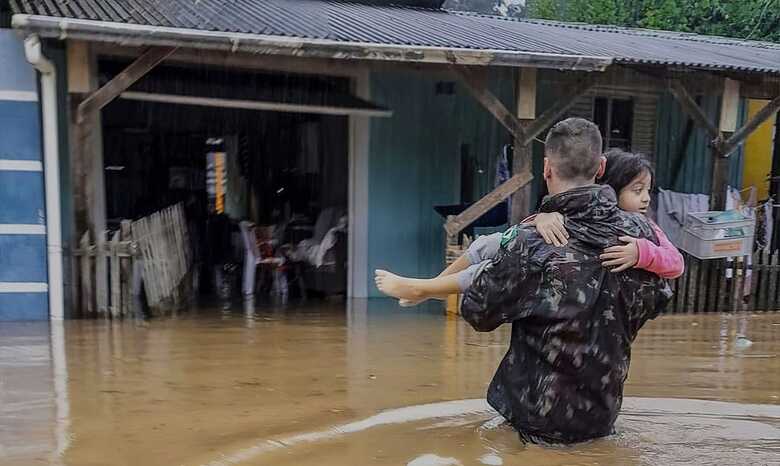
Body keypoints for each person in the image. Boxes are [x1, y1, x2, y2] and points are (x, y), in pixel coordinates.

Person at [390, 117, 672, 444]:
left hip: (536, 420)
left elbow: (478, 313)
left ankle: (424, 287)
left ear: (547, 168)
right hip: (603, 416)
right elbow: (659, 298)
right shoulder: (642, 234)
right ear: (601, 167)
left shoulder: (532, 242)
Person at [374, 149, 683, 306]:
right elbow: (527, 234)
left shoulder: (644, 229)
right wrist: (542, 217)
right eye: (637, 190)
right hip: (566, 279)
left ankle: (426, 289)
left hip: (580, 288)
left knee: (493, 268)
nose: (645, 199)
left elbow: (676, 263)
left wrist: (641, 253)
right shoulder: (574, 210)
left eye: (647, 191)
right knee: (490, 243)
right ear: (607, 185)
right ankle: (434, 287)